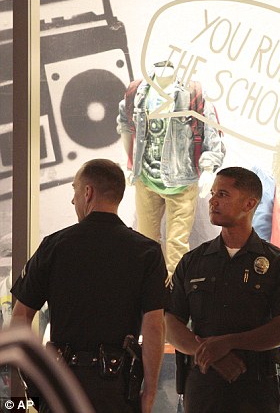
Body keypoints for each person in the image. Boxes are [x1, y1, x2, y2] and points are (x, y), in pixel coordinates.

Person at [10, 159, 168, 413]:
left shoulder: (54, 246)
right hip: (117, 387)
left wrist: (36, 386)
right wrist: (149, 392)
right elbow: (154, 326)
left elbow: (20, 318)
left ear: (88, 193)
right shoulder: (146, 252)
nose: (73, 201)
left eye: (74, 190)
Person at [165, 166, 280, 413]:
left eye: (223, 194)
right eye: (212, 193)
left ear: (249, 203)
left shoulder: (277, 263)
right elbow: (171, 323)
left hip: (256, 388)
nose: (213, 201)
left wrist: (229, 343)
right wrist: (210, 353)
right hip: (203, 387)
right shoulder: (192, 261)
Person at [117, 60, 225, 283]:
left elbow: (212, 133)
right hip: (146, 178)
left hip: (182, 181)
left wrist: (208, 169)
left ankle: (175, 298)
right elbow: (126, 126)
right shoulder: (137, 92)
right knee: (145, 241)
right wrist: (131, 165)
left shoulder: (193, 93)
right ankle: (149, 292)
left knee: (177, 246)